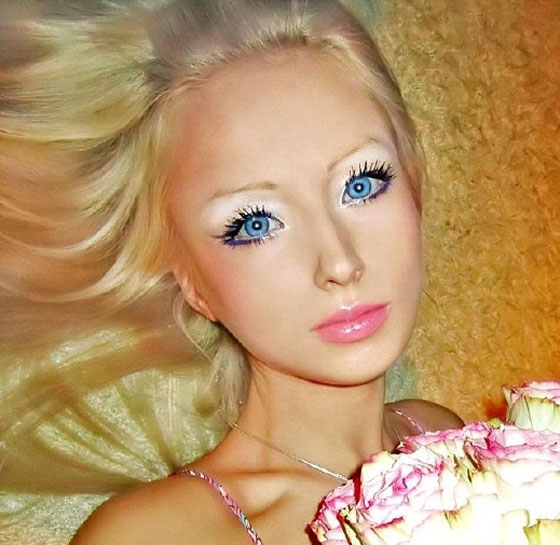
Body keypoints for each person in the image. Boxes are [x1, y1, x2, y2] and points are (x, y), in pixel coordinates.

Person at [1, 1, 463, 544]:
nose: (340, 262)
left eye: (361, 184)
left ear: (412, 182)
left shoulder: (441, 439)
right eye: (256, 223)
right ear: (192, 282)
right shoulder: (154, 537)